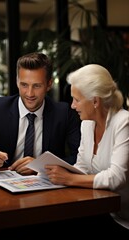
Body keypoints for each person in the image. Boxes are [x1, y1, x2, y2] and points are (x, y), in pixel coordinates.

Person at [45, 64, 129, 234]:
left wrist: (69, 179)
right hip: (98, 210)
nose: (72, 106)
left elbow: (117, 177)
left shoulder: (124, 122)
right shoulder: (86, 124)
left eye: (76, 99)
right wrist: (54, 173)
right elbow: (82, 167)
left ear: (95, 101)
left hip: (123, 219)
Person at [0, 52, 81, 175]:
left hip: (47, 187)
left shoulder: (64, 113)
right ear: (17, 81)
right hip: (2, 185)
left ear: (49, 84)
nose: (30, 94)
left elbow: (80, 158)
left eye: (37, 86)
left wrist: (41, 166)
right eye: (24, 85)